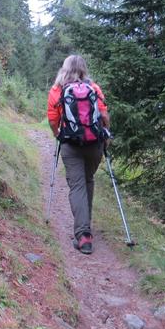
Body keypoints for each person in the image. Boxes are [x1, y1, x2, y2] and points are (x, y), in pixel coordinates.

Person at [47, 55, 110, 254]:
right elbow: (104, 115)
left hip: (71, 144)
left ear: (64, 68)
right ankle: (85, 226)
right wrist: (105, 135)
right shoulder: (94, 88)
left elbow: (52, 119)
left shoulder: (57, 90)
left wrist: (58, 134)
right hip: (95, 143)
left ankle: (83, 234)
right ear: (84, 68)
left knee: (77, 185)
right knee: (88, 180)